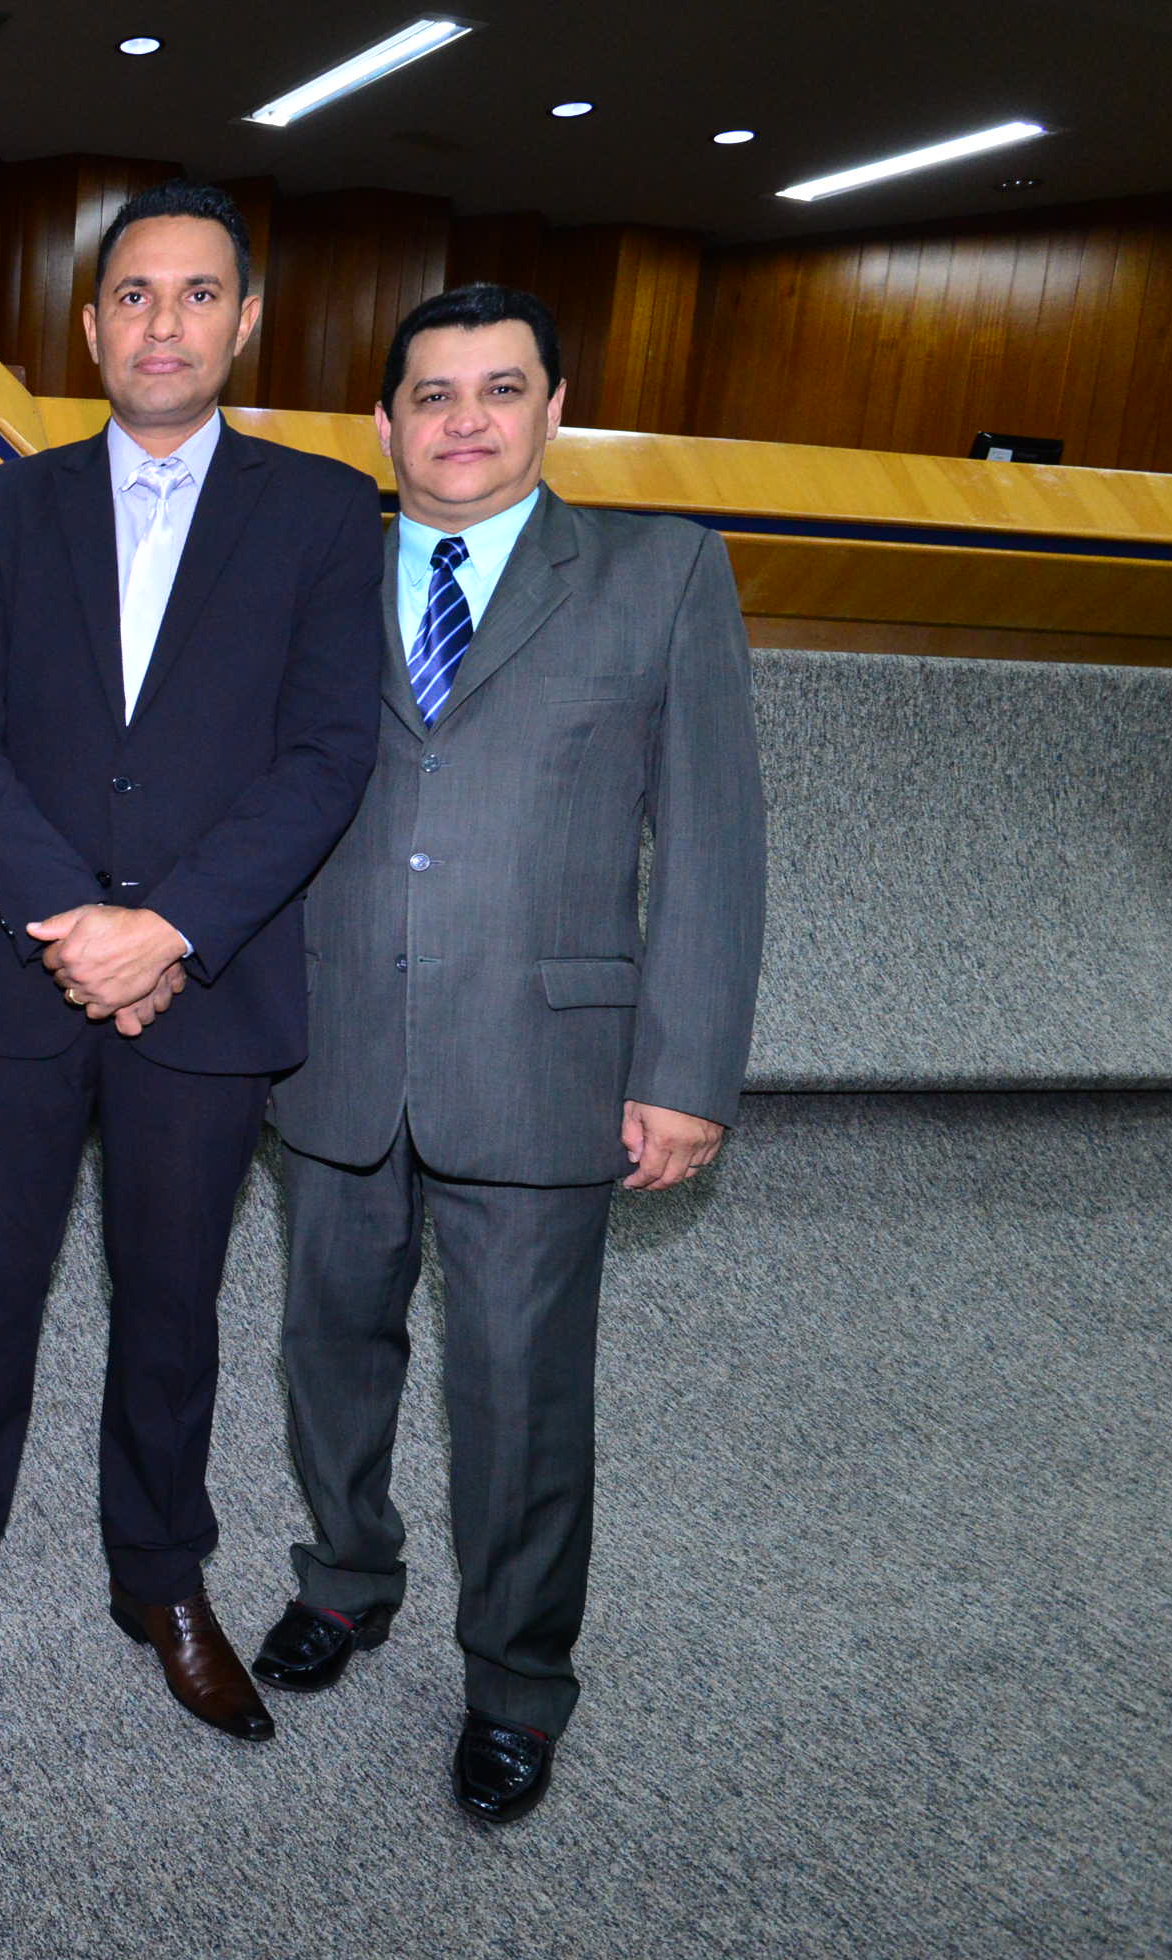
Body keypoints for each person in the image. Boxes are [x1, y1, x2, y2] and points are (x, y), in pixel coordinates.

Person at [0, 180, 382, 1744]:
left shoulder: (321, 513)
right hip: (22, 970)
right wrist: (76, 921)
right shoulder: (9, 509)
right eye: (135, 295)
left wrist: (168, 929)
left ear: (246, 321)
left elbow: (325, 754)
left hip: (209, 980)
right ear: (90, 328)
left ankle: (160, 1575)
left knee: (173, 1303)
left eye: (198, 294)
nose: (165, 323)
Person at [255, 281, 765, 1822]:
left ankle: (518, 1681)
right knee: (327, 1349)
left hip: (546, 1060)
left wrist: (686, 1069)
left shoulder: (661, 573)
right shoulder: (309, 574)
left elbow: (716, 842)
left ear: (555, 407)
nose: (463, 420)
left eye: (498, 389)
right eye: (432, 394)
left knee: (522, 1394)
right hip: (332, 1041)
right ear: (383, 423)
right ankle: (346, 1578)